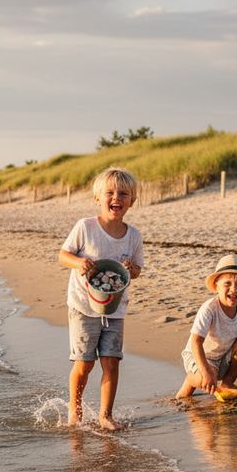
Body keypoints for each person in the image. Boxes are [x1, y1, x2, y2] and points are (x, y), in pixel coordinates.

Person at [59, 168, 143, 430]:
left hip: (115, 307)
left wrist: (131, 267)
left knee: (111, 360)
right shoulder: (86, 227)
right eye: (109, 193)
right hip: (83, 306)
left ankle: (106, 415)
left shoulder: (134, 236)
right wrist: (79, 262)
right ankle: (76, 409)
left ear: (132, 201)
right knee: (84, 363)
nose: (116, 198)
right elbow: (64, 255)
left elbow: (137, 271)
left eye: (123, 194)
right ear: (98, 198)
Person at [176, 255, 237, 400]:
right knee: (206, 378)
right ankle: (190, 382)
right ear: (217, 285)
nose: (233, 289)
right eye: (227, 283)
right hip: (200, 356)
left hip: (224, 357)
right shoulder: (210, 309)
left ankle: (227, 382)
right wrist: (205, 371)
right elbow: (196, 341)